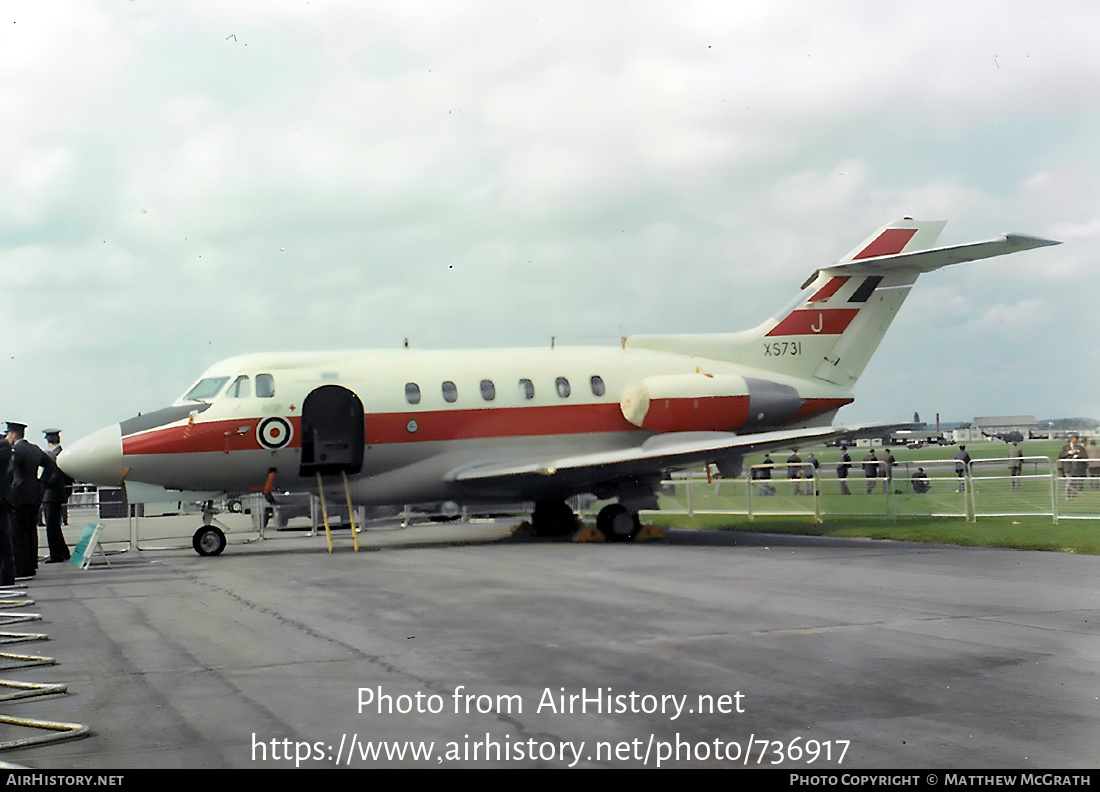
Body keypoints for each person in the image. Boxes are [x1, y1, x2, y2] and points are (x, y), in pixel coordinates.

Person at [6, 422, 56, 578]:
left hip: (18, 496)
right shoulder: (34, 449)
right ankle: (31, 564)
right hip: (34, 494)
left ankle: (21, 569)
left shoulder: (15, 451)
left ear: (13, 434)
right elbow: (50, 466)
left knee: (18, 533)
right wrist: (42, 483)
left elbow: (10, 472)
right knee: (31, 531)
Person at [41, 429, 72, 563]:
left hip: (50, 495)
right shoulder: (63, 453)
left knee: (51, 526)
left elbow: (50, 476)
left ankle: (56, 554)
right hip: (59, 494)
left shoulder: (51, 456)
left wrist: (40, 484)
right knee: (55, 525)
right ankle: (63, 551)